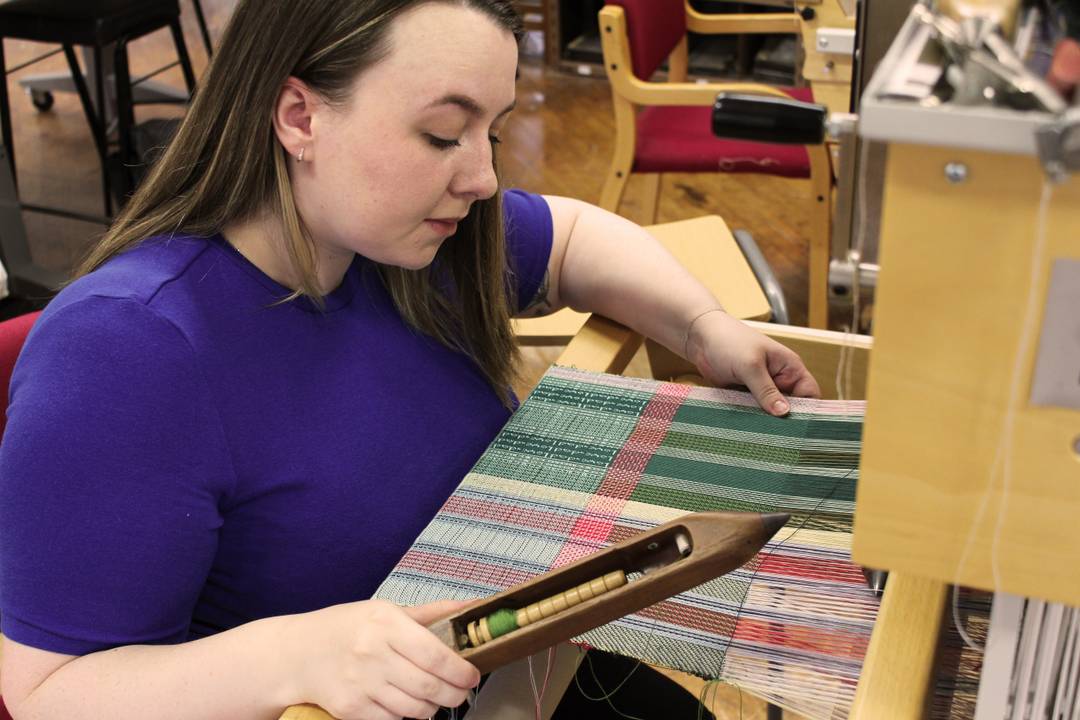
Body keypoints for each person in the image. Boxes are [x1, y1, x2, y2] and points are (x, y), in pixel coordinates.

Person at [0, 1, 820, 718]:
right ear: (298, 116)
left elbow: (570, 236)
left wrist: (702, 323)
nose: (485, 176)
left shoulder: (397, 246)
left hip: (516, 673)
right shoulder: (127, 354)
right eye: (442, 133)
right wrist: (295, 658)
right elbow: (51, 692)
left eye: (490, 132)